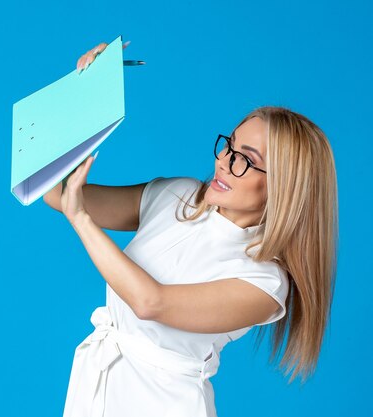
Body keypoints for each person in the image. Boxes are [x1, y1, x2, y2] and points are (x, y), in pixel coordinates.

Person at [42, 41, 338, 417]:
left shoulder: (264, 282)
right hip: (96, 391)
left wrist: (80, 219)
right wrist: (80, 98)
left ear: (285, 188)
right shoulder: (176, 195)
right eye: (229, 146)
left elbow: (151, 302)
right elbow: (57, 194)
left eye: (247, 160)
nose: (225, 162)